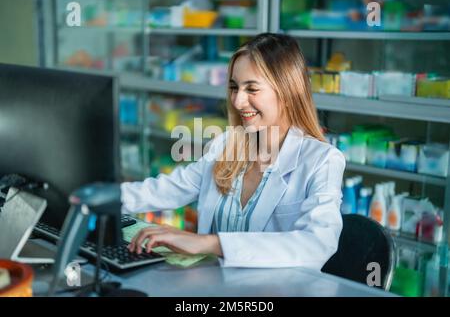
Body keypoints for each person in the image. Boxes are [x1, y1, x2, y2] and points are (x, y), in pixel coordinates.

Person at [123, 33, 346, 269]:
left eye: (252, 89)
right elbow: (166, 189)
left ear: (289, 93)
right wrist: (96, 198)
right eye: (234, 87)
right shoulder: (226, 145)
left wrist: (210, 244)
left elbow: (318, 243)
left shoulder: (322, 160)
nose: (238, 102)